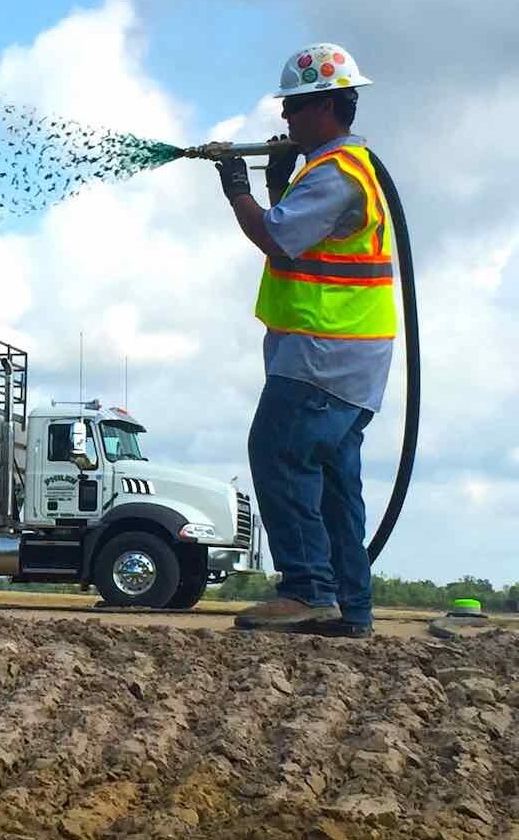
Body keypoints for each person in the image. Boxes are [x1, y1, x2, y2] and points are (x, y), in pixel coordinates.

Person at [215, 43, 394, 638]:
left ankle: (307, 591)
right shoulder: (340, 172)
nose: (285, 119)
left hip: (323, 354)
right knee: (337, 481)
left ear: (323, 108)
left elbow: (276, 239)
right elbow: (305, 236)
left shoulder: (338, 175)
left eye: (293, 108)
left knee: (277, 453)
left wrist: (236, 188)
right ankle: (351, 606)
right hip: (351, 362)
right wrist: (277, 185)